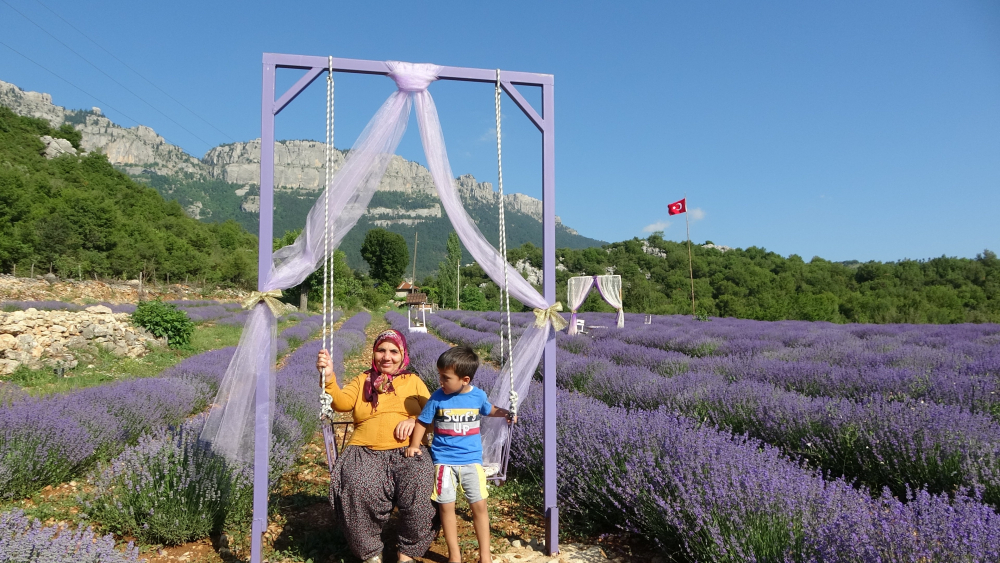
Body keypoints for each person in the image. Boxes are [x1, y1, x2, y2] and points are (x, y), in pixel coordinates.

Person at [316, 329, 436, 563]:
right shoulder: (363, 380)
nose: (387, 357)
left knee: (421, 484)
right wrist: (329, 377)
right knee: (356, 487)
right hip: (364, 450)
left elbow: (434, 416)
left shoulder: (413, 381)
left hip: (409, 450)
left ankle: (408, 552)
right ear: (374, 353)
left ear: (403, 355)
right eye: (381, 350)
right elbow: (341, 403)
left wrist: (414, 421)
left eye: (394, 351)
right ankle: (370, 553)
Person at [405, 346, 516, 563]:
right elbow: (422, 422)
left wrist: (504, 413)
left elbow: (488, 409)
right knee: (447, 508)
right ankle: (454, 555)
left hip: (471, 461)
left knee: (479, 506)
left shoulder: (477, 396)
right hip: (444, 462)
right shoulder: (437, 398)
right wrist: (414, 445)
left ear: (464, 379)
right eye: (440, 376)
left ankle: (485, 555)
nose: (440, 382)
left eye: (445, 378)